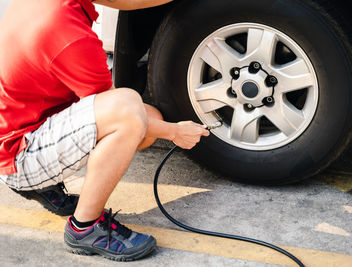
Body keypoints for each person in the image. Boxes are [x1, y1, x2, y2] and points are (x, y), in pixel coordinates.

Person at [0, 0, 209, 261]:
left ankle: (40, 187)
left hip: (16, 134)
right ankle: (84, 228)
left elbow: (131, 2)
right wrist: (175, 131)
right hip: (19, 156)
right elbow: (123, 114)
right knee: (129, 114)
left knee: (144, 116)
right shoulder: (66, 30)